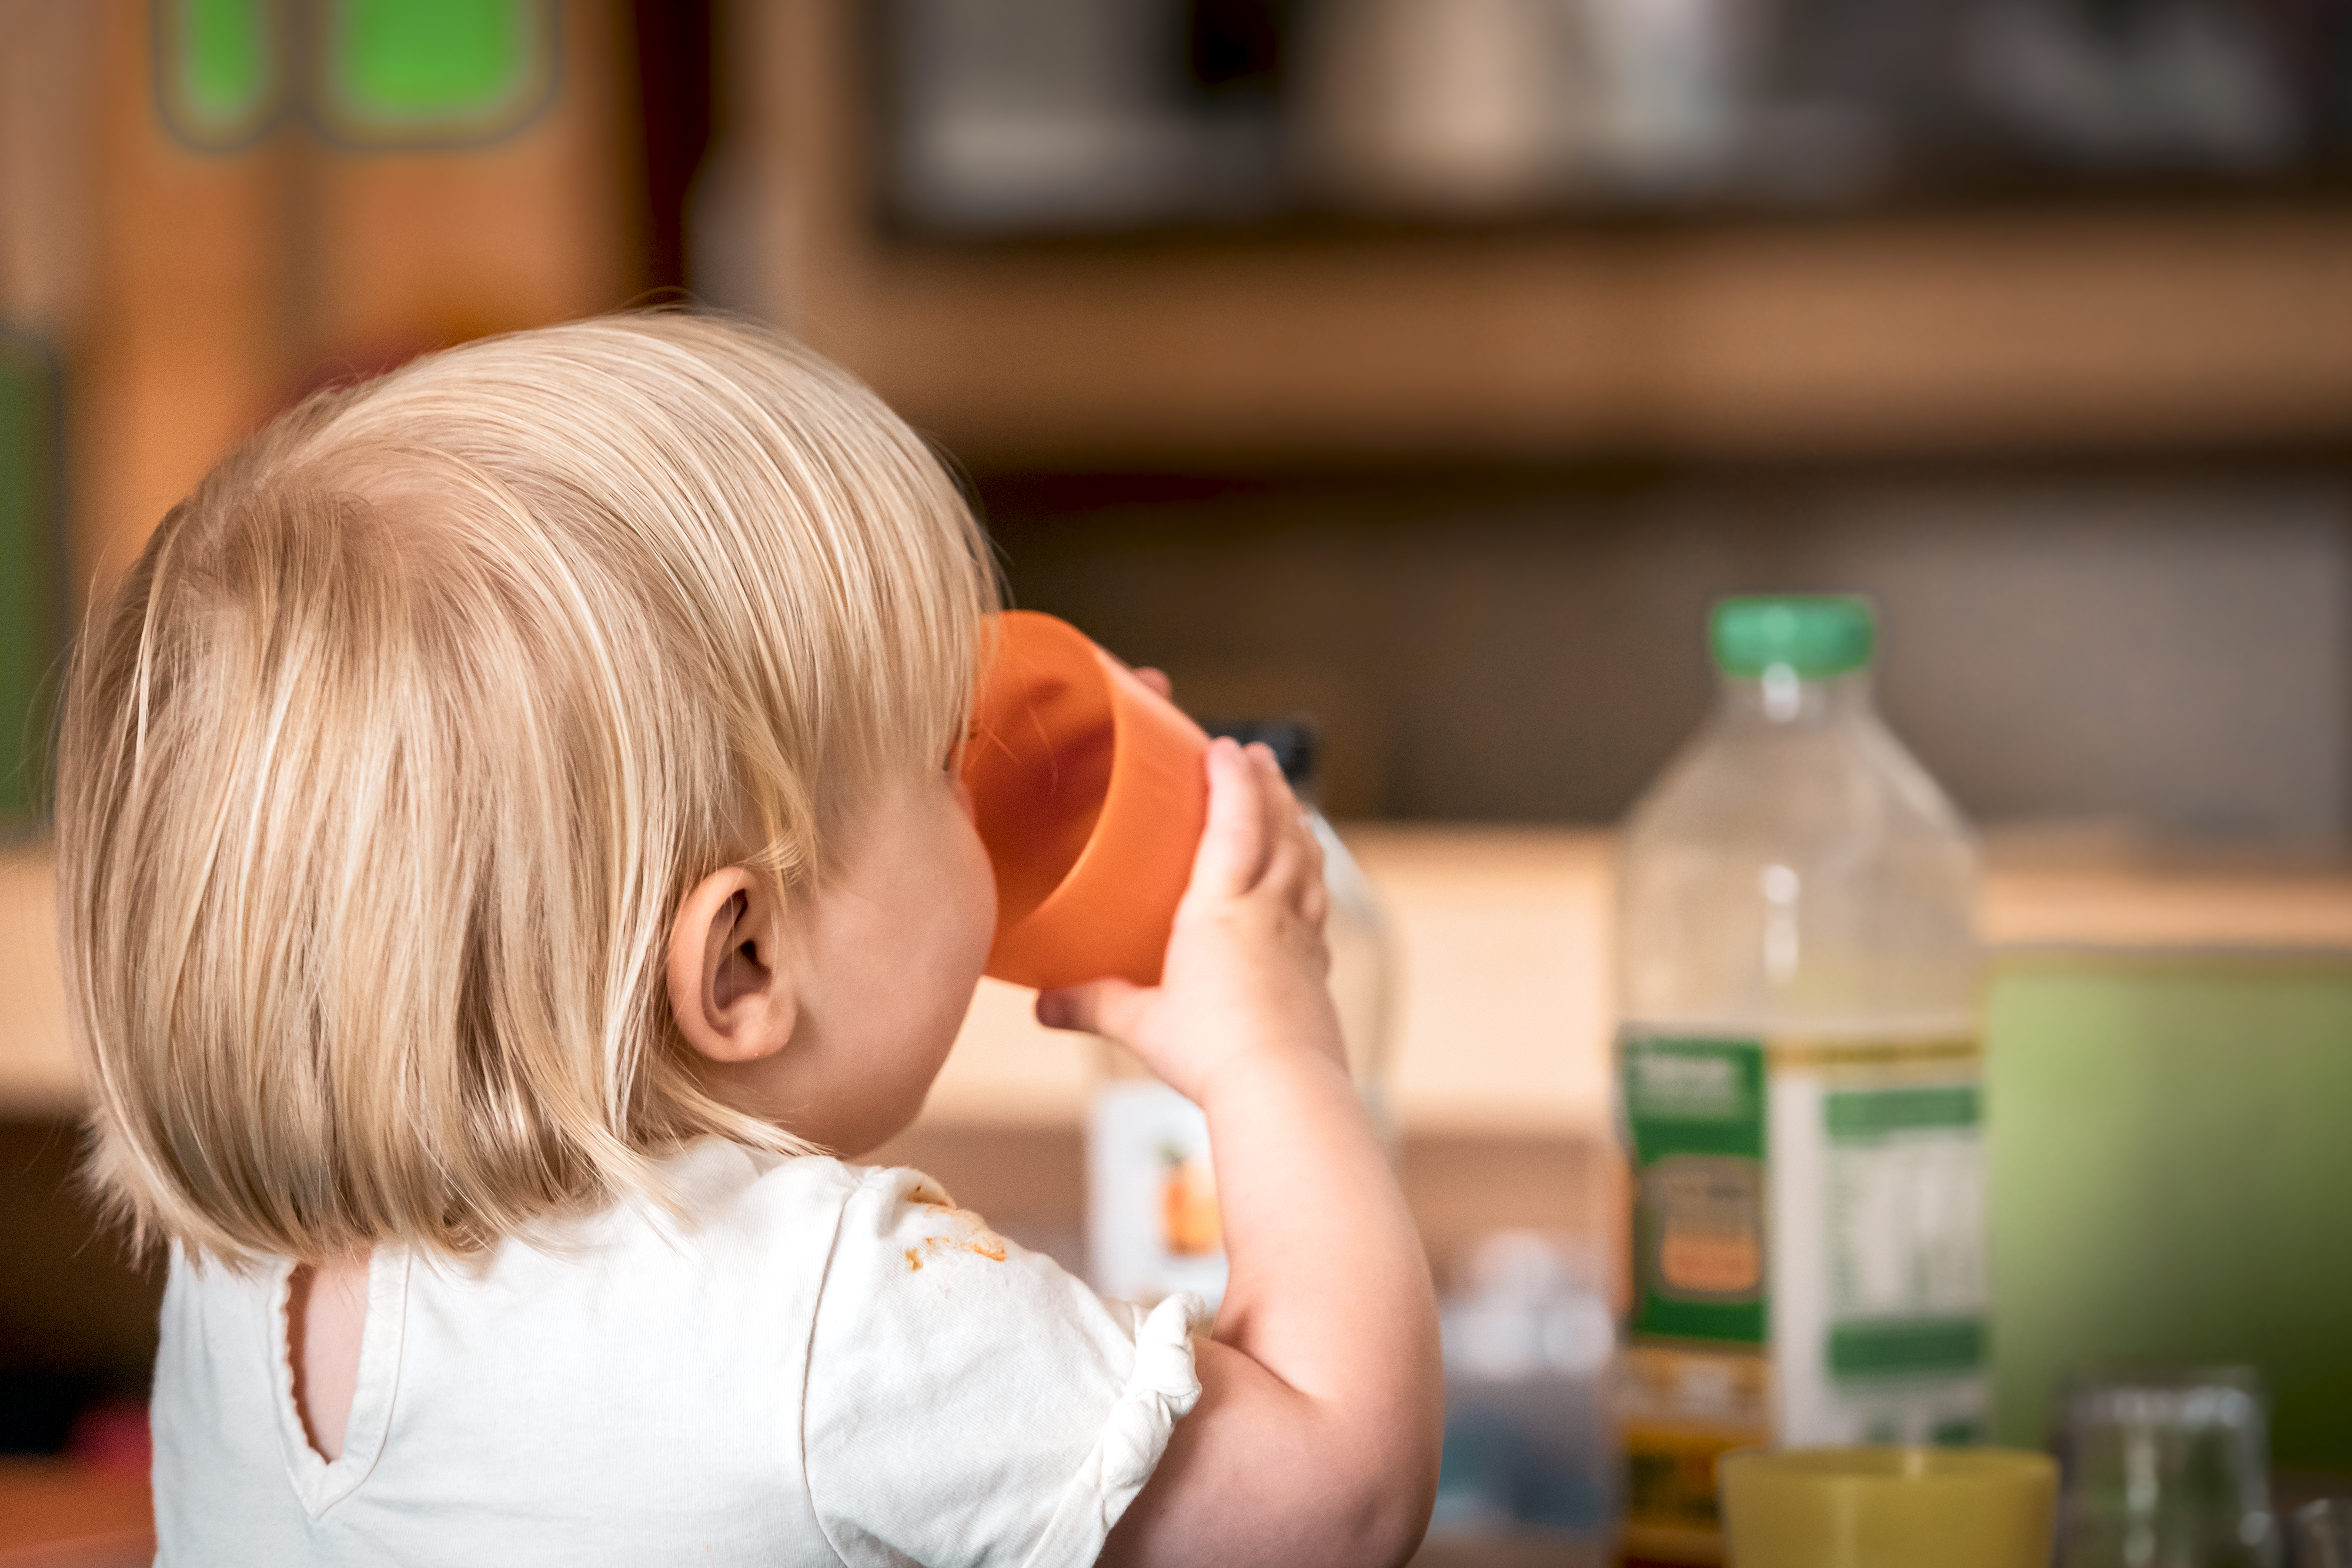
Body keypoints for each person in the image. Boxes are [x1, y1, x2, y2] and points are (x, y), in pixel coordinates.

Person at [53, 315, 1442, 1566]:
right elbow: (1336, 1497)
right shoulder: (844, 1324)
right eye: (943, 758)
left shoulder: (241, 1269)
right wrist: (1271, 1046)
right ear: (741, 965)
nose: (984, 771)